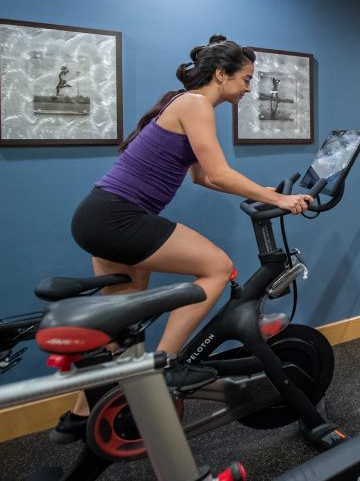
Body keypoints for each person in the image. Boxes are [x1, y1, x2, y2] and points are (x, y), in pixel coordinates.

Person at [55, 35, 315, 443]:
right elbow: (221, 173)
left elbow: (204, 177)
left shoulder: (183, 104)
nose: (249, 88)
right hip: (117, 217)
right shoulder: (195, 104)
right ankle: (166, 364)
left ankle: (79, 417)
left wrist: (262, 193)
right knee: (217, 268)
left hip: (98, 216)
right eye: (246, 79)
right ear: (221, 75)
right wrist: (279, 198)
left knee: (123, 330)